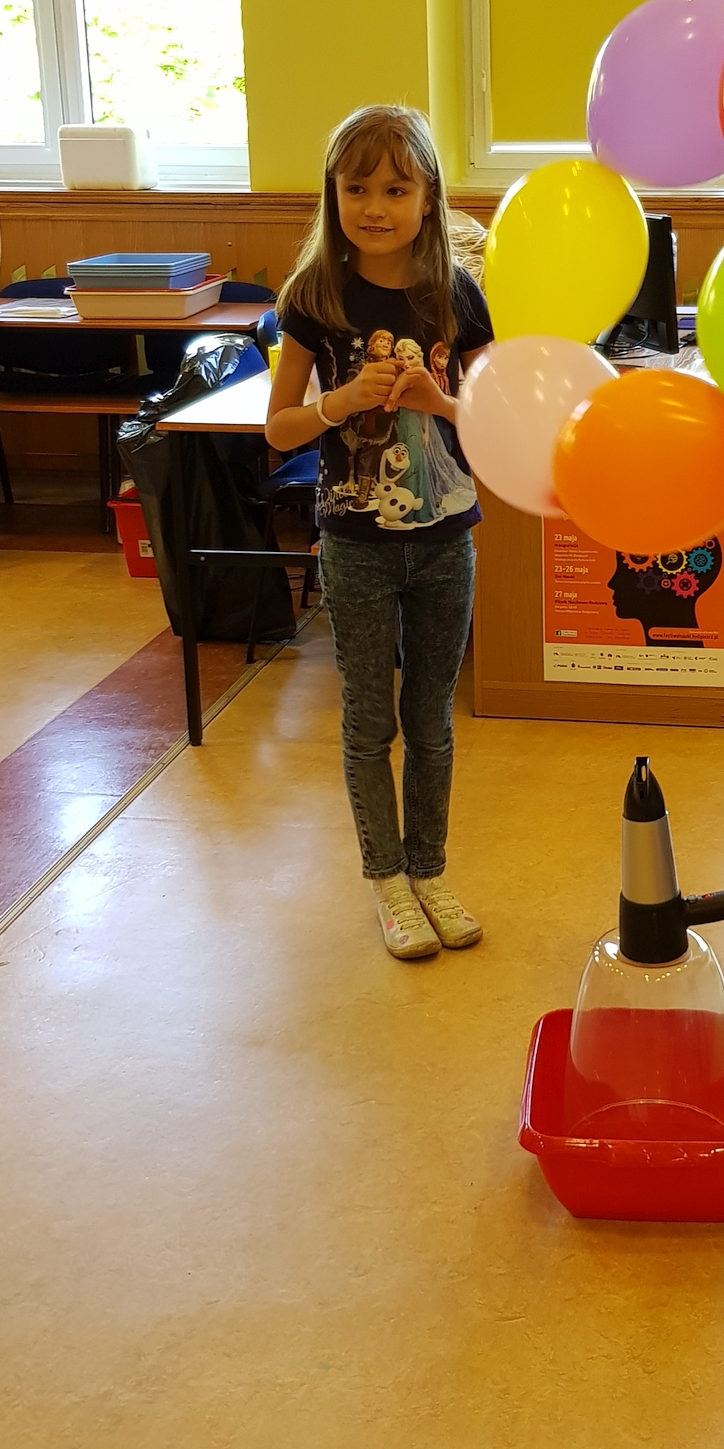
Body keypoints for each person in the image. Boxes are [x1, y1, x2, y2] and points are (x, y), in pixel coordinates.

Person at [268, 105, 493, 961]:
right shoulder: (313, 295)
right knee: (370, 723)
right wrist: (341, 401)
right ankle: (387, 880)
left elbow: (494, 420)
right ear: (333, 194)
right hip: (355, 544)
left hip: (445, 540)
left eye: (397, 189)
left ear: (429, 197)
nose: (375, 206)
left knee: (432, 720)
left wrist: (440, 401)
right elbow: (279, 429)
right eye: (357, 187)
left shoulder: (455, 294)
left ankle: (429, 870)